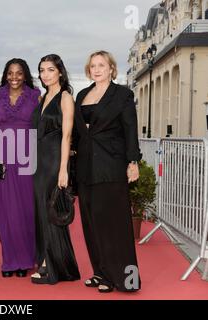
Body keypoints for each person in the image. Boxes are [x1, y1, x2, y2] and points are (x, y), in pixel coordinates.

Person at [75, 50, 141, 293]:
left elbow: (130, 129)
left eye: (101, 65)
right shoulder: (82, 95)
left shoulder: (122, 94)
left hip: (111, 167)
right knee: (91, 223)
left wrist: (133, 161)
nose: (97, 69)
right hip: (85, 169)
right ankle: (100, 272)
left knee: (114, 224)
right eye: (93, 65)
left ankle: (124, 279)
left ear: (112, 68)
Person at [0, 58, 40, 278]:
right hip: (2, 159)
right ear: (5, 75)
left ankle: (27, 259)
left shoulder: (36, 96)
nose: (14, 77)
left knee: (27, 211)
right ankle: (10, 260)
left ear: (25, 75)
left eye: (19, 73)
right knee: (4, 211)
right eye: (10, 73)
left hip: (28, 159)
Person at [30, 54, 80, 285]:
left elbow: (67, 135)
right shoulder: (43, 97)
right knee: (42, 211)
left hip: (53, 160)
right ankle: (54, 262)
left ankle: (50, 266)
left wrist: (63, 169)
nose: (45, 74)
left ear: (60, 71)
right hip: (38, 161)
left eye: (50, 69)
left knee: (51, 211)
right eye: (42, 70)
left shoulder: (65, 97)